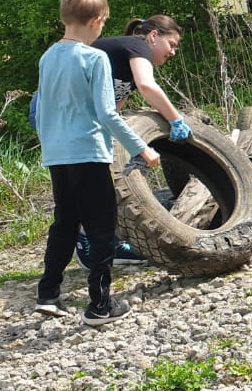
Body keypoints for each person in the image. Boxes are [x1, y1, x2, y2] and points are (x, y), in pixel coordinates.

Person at [32, 0, 160, 326]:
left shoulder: (48, 57)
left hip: (57, 155)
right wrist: (141, 147)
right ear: (98, 20)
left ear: (65, 17)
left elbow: (43, 110)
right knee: (101, 227)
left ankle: (48, 294)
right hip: (88, 153)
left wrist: (50, 145)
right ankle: (100, 306)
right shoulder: (94, 58)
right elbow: (107, 113)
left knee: (65, 223)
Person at [74, 15, 189, 267]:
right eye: (172, 44)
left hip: (75, 115)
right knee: (92, 175)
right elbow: (148, 86)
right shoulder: (137, 47)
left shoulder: (125, 61)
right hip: (60, 111)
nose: (173, 52)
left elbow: (113, 107)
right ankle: (87, 243)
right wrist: (176, 119)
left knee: (101, 171)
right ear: (153, 36)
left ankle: (102, 240)